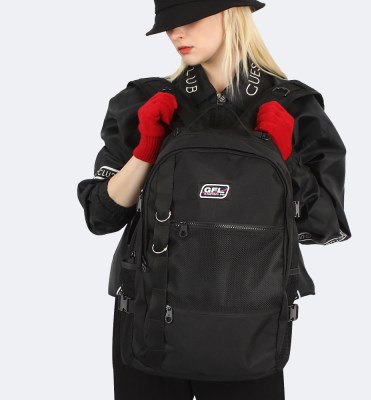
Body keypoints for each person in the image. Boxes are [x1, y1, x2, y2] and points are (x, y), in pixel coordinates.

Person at [77, 1, 352, 399]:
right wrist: (146, 150)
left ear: (231, 12)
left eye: (189, 19)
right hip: (150, 324)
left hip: (250, 330)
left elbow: (325, 224)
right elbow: (99, 216)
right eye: (169, 24)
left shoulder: (293, 107)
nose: (176, 33)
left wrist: (286, 160)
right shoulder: (145, 101)